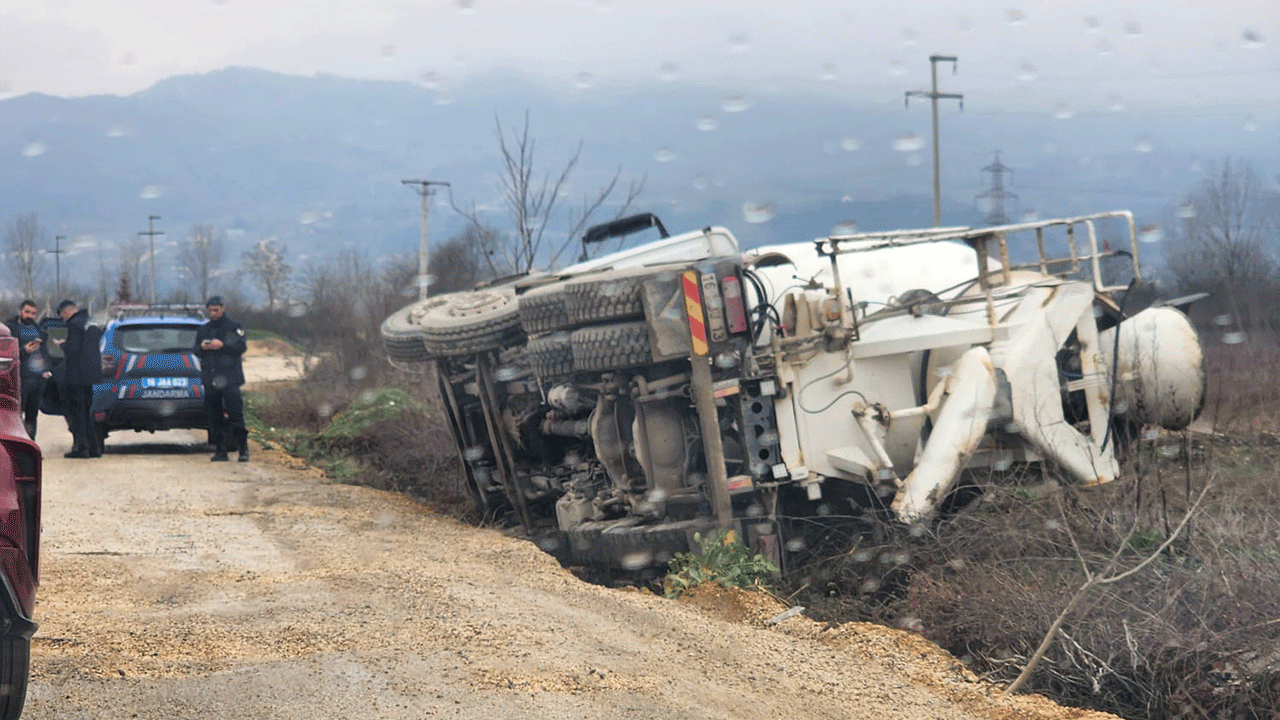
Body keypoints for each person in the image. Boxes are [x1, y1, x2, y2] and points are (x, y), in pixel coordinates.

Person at [194, 296, 249, 462]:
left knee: (235, 415)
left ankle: (243, 449)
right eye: (210, 310)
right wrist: (203, 347)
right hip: (211, 379)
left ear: (223, 308)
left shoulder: (234, 327)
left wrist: (223, 346)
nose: (213, 313)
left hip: (230, 378)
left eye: (216, 310)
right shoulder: (203, 330)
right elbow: (195, 350)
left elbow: (241, 347)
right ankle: (220, 450)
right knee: (214, 416)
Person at [53, 299, 103, 458]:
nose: (63, 319)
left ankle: (82, 449)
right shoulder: (90, 322)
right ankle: (94, 448)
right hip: (91, 375)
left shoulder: (74, 324)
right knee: (87, 411)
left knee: (78, 412)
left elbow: (72, 350)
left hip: (76, 376)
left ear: (65, 312)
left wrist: (62, 345)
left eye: (62, 316)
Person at [4, 300, 51, 439]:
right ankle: (17, 444)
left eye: (33, 313)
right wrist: (24, 350)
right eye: (27, 312)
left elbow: (45, 352)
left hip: (38, 378)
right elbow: (6, 353)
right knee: (16, 414)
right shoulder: (10, 329)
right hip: (19, 378)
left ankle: (31, 442)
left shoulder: (39, 330)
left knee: (32, 414)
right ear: (20, 311)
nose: (30, 315)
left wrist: (46, 369)